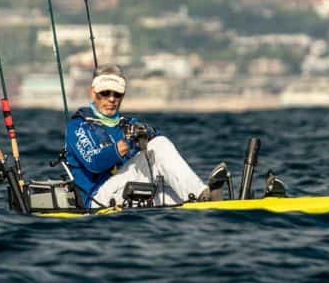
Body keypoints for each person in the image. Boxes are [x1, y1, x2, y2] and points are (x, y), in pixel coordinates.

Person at [65, 64, 227, 208]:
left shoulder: (129, 123)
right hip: (97, 198)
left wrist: (146, 135)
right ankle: (202, 194)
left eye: (117, 94)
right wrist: (126, 144)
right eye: (105, 93)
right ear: (93, 93)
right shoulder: (77, 127)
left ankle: (206, 200)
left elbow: (161, 151)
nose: (112, 99)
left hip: (129, 188)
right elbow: (95, 162)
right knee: (159, 146)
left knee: (173, 193)